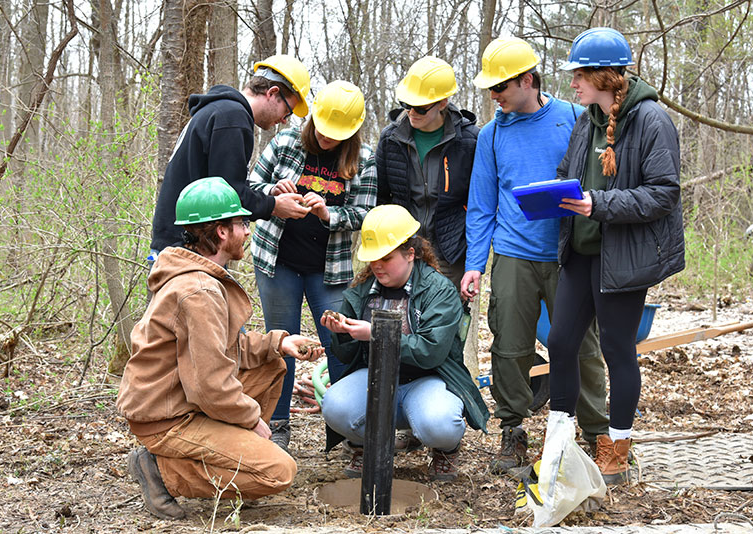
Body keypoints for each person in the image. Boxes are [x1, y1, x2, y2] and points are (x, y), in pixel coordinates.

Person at [118, 177, 325, 519]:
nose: (247, 231)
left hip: (180, 400)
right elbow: (209, 384)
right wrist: (251, 419)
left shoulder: (199, 275)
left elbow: (227, 347)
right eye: (242, 223)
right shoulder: (199, 291)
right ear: (222, 232)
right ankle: (161, 470)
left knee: (273, 363)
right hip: (167, 418)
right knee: (279, 471)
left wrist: (280, 342)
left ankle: (222, 452)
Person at [460, 37, 609, 474]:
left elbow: (599, 182)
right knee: (510, 346)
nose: (494, 97)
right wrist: (474, 264)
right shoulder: (491, 135)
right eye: (489, 89)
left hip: (568, 254)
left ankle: (598, 433)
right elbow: (483, 204)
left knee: (581, 344)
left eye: (500, 88)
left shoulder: (574, 119)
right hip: (513, 255)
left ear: (527, 80)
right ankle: (513, 431)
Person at [548, 27, 684, 483]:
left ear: (605, 75)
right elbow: (571, 173)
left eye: (579, 75)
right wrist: (553, 192)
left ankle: (618, 449)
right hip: (580, 253)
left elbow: (663, 193)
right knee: (561, 342)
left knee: (616, 350)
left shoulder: (651, 120)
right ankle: (559, 447)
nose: (573, 84)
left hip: (623, 257)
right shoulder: (587, 120)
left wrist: (599, 204)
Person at [248, 80, 377, 450]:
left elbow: (366, 214)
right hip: (278, 262)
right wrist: (274, 193)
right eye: (321, 130)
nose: (326, 139)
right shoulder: (286, 143)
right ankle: (278, 423)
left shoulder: (363, 159)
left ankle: (348, 425)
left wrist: (327, 213)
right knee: (281, 341)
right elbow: (249, 186)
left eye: (335, 135)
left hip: (329, 269)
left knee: (340, 341)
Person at [320, 205, 490, 482]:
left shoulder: (439, 291)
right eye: (372, 258)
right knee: (334, 406)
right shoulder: (361, 291)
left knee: (440, 423)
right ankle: (368, 445)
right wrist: (342, 333)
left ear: (410, 254)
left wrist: (375, 333)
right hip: (374, 378)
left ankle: (445, 450)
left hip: (426, 379)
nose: (376, 266)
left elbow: (431, 352)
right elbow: (348, 355)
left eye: (385, 258)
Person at [149, 55, 313, 257]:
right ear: (272, 93)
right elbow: (229, 195)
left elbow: (222, 184)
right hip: (188, 246)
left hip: (179, 240)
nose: (284, 121)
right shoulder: (232, 119)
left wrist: (270, 194)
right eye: (287, 111)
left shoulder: (221, 111)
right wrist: (274, 206)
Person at [375, 57, 479, 288]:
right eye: (406, 104)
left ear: (442, 102)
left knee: (445, 318)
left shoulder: (469, 141)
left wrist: (472, 257)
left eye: (420, 107)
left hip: (450, 250)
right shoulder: (391, 139)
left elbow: (479, 203)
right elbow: (380, 197)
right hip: (403, 249)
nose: (412, 112)